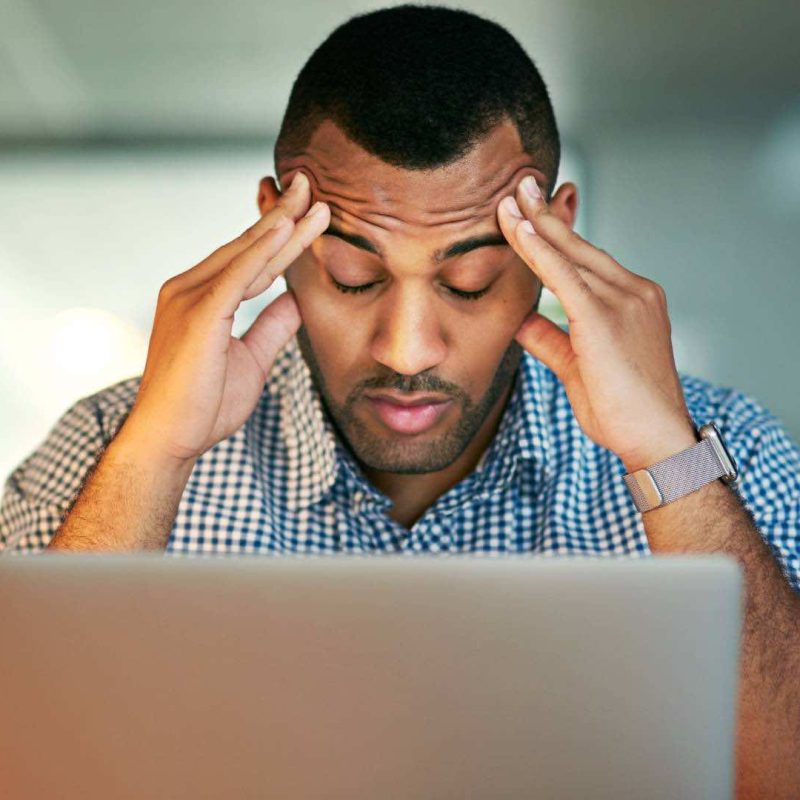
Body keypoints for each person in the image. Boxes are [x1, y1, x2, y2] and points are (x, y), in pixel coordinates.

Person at [1, 4, 798, 795]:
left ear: (558, 242)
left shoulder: (726, 449)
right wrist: (151, 460)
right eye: (353, 276)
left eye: (469, 282)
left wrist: (667, 458)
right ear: (274, 229)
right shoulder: (108, 442)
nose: (407, 349)